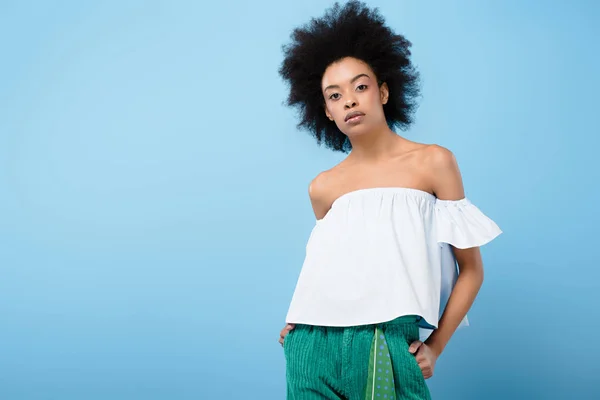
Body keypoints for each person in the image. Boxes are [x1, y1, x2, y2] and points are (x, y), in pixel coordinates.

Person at [276, 1, 502, 399]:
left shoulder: (433, 162)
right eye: (334, 95)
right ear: (326, 112)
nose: (348, 100)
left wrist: (435, 347)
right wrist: (299, 322)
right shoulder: (323, 187)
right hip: (309, 344)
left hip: (384, 340)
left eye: (360, 86)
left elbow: (471, 270)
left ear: (382, 90)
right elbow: (330, 266)